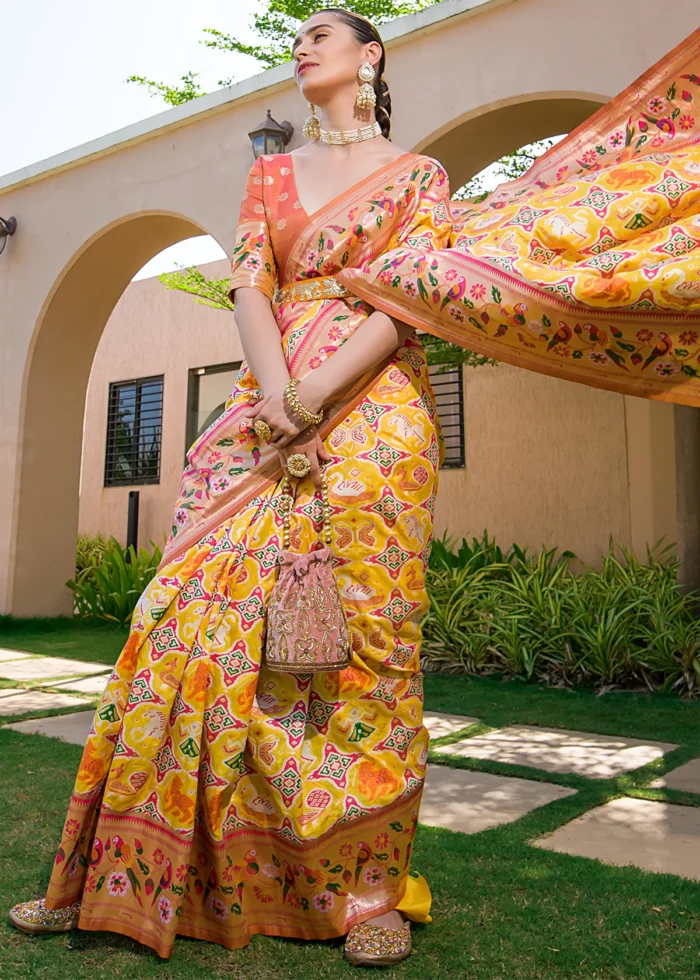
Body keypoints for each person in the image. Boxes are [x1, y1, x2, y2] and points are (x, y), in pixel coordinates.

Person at [9, 5, 700, 969]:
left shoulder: (422, 179)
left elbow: (409, 296)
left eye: (321, 36)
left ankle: (364, 889)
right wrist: (277, 393)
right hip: (263, 404)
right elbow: (251, 283)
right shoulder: (269, 174)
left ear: (369, 57)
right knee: (177, 621)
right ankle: (128, 870)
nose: (302, 47)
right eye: (298, 39)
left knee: (358, 651)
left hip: (373, 417)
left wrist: (323, 390)